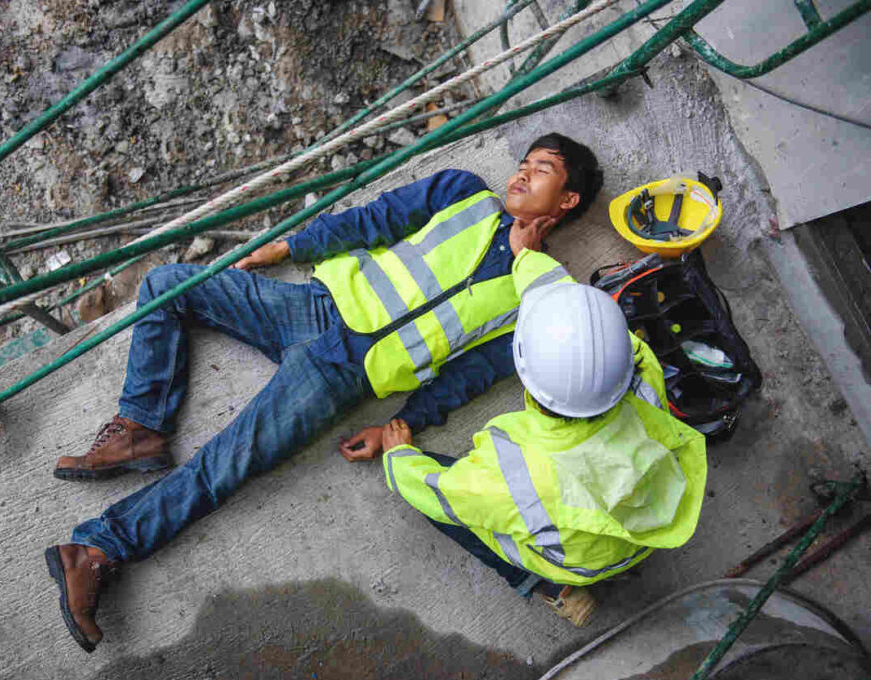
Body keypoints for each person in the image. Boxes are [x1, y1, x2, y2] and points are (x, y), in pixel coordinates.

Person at [44, 133, 604, 652]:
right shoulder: (463, 192)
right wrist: (291, 246)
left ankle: (98, 548)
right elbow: (376, 220)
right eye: (524, 163)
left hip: (344, 374)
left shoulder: (541, 299)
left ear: (568, 200)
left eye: (543, 170)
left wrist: (396, 429)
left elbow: (473, 374)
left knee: (229, 463)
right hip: (314, 305)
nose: (521, 174)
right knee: (168, 284)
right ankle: (141, 428)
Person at [367, 282, 707, 627]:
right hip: (650, 530)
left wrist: (399, 459)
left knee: (455, 507)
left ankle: (552, 586)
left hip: (580, 563)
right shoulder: (641, 367)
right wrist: (526, 256)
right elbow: (585, 328)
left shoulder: (517, 473)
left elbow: (440, 491)